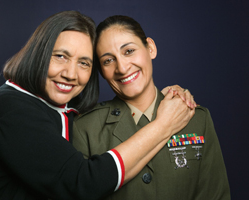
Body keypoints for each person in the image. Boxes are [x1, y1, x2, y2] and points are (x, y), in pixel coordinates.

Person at [0, 11, 194, 200]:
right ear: (38, 54)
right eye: (60, 56)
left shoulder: (68, 111)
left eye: (84, 63)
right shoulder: (8, 105)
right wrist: (165, 123)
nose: (70, 74)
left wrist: (167, 96)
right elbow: (83, 183)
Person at [73, 15, 230, 200]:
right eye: (108, 60)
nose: (122, 68)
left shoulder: (197, 118)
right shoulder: (85, 128)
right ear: (101, 72)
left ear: (151, 48)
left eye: (129, 51)